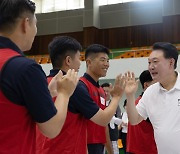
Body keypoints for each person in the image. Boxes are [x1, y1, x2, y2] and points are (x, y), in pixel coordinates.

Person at [0, 1, 78, 153]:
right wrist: (64, 93)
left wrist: (46, 94)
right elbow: (51, 128)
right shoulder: (26, 69)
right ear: (25, 23)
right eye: (35, 24)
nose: (36, 31)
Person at [37, 42, 126, 154]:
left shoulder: (41, 84)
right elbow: (103, 119)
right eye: (79, 58)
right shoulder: (76, 86)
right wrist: (117, 96)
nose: (80, 63)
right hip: (66, 149)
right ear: (68, 61)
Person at [125, 42, 180, 154]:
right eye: (149, 62)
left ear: (171, 62)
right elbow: (134, 120)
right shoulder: (150, 92)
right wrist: (130, 96)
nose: (151, 67)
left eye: (155, 62)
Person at [126, 70, 157, 154]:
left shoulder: (136, 102)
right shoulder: (145, 104)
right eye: (156, 83)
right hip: (144, 150)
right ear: (146, 85)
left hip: (135, 149)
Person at [101, 82, 122, 154]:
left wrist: (112, 119)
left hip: (113, 135)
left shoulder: (115, 104)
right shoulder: (98, 104)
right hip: (101, 135)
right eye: (104, 91)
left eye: (107, 91)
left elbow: (120, 120)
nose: (106, 93)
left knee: (114, 151)